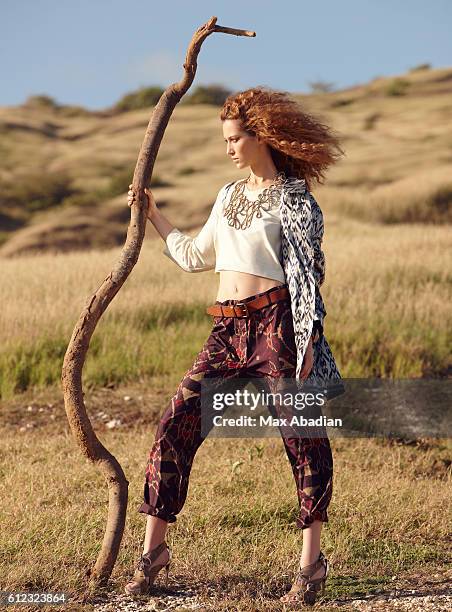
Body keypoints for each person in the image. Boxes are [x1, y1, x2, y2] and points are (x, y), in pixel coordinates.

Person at [124, 87, 345, 605]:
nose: (228, 148)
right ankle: (154, 551)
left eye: (235, 138)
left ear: (261, 136)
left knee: (302, 436)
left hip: (278, 325)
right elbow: (195, 256)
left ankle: (311, 564)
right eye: (225, 139)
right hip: (226, 329)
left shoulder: (297, 201)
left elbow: (310, 275)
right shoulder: (227, 196)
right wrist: (154, 214)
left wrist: (308, 340)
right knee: (175, 421)